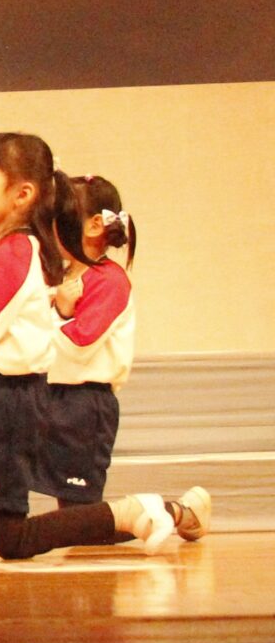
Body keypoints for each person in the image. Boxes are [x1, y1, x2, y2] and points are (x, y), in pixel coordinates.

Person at [0, 134, 207, 562]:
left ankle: (146, 511)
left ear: (22, 194)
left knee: (20, 539)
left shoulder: (21, 253)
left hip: (37, 400)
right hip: (9, 392)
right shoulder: (17, 254)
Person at [44, 175, 208, 538]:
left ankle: (176, 513)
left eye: (59, 215)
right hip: (49, 397)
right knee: (71, 517)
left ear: (94, 226)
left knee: (81, 521)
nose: (50, 224)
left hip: (84, 406)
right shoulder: (60, 278)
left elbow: (79, 345)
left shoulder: (110, 280)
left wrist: (62, 313)